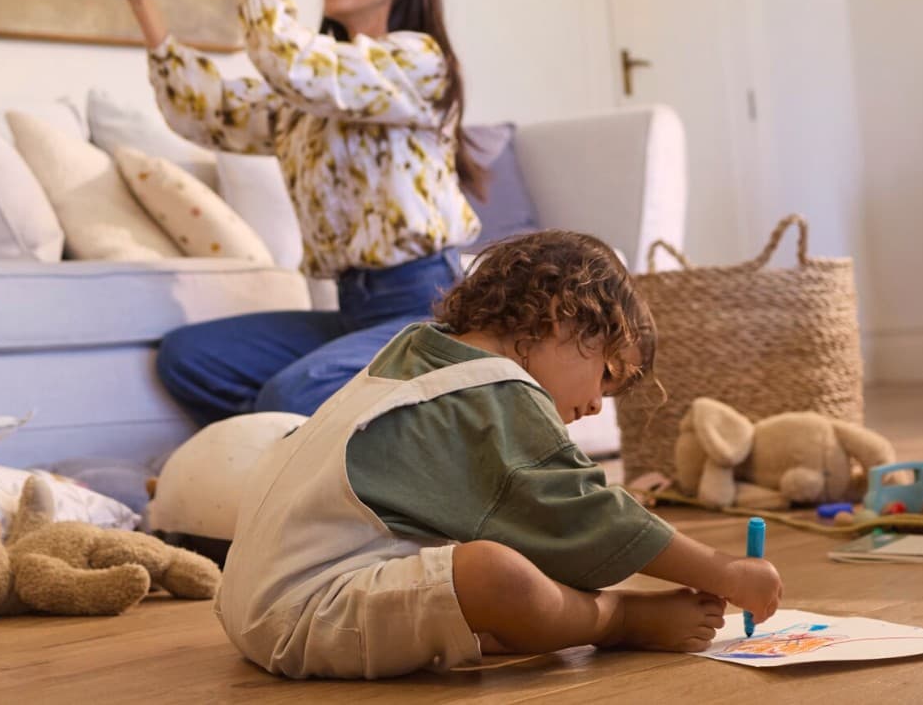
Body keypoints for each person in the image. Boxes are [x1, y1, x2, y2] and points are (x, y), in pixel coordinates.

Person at [214, 229, 784, 679]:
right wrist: (724, 569)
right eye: (605, 374)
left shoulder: (419, 356)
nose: (593, 405)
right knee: (495, 573)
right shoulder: (491, 392)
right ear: (562, 315)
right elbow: (586, 513)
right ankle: (619, 620)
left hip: (249, 602)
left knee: (501, 553)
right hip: (309, 614)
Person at [69, 0, 482, 424]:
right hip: (354, 308)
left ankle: (359, 430)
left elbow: (293, 62)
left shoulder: (416, 62)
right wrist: (143, 1)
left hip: (428, 307)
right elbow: (206, 111)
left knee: (290, 396)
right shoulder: (312, 93)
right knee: (190, 358)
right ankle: (320, 439)